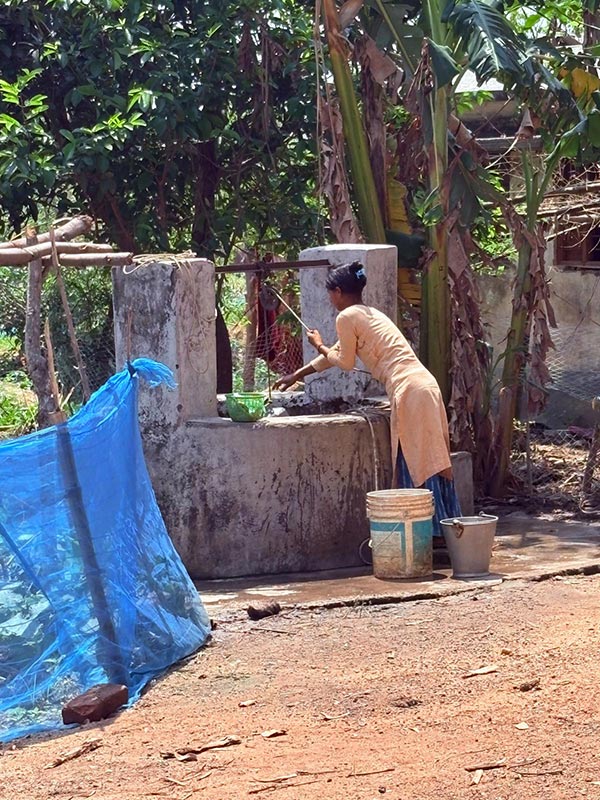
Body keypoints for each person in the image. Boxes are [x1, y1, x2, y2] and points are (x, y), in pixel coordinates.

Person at [273, 261, 461, 535]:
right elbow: (335, 356)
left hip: (409, 390)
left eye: (330, 294)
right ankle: (445, 530)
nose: (330, 300)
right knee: (430, 457)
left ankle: (426, 535)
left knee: (415, 459)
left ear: (337, 291)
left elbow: (344, 362)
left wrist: (318, 344)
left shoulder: (346, 317)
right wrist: (296, 375)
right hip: (424, 386)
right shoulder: (369, 313)